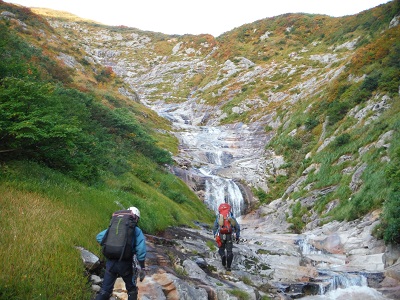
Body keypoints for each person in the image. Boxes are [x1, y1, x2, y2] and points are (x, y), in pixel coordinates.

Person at [95, 207, 147, 300]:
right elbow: (141, 250)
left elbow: (99, 237)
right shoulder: (136, 230)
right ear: (136, 218)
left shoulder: (114, 227)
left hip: (110, 262)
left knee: (105, 290)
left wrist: (112, 246)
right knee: (131, 289)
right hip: (125, 264)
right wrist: (142, 267)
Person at [212, 204, 240, 272]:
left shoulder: (219, 216)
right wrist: (237, 236)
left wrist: (215, 235)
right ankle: (228, 267)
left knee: (221, 249)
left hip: (221, 234)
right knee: (229, 251)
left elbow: (215, 227)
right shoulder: (230, 216)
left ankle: (223, 256)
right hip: (229, 235)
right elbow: (237, 227)